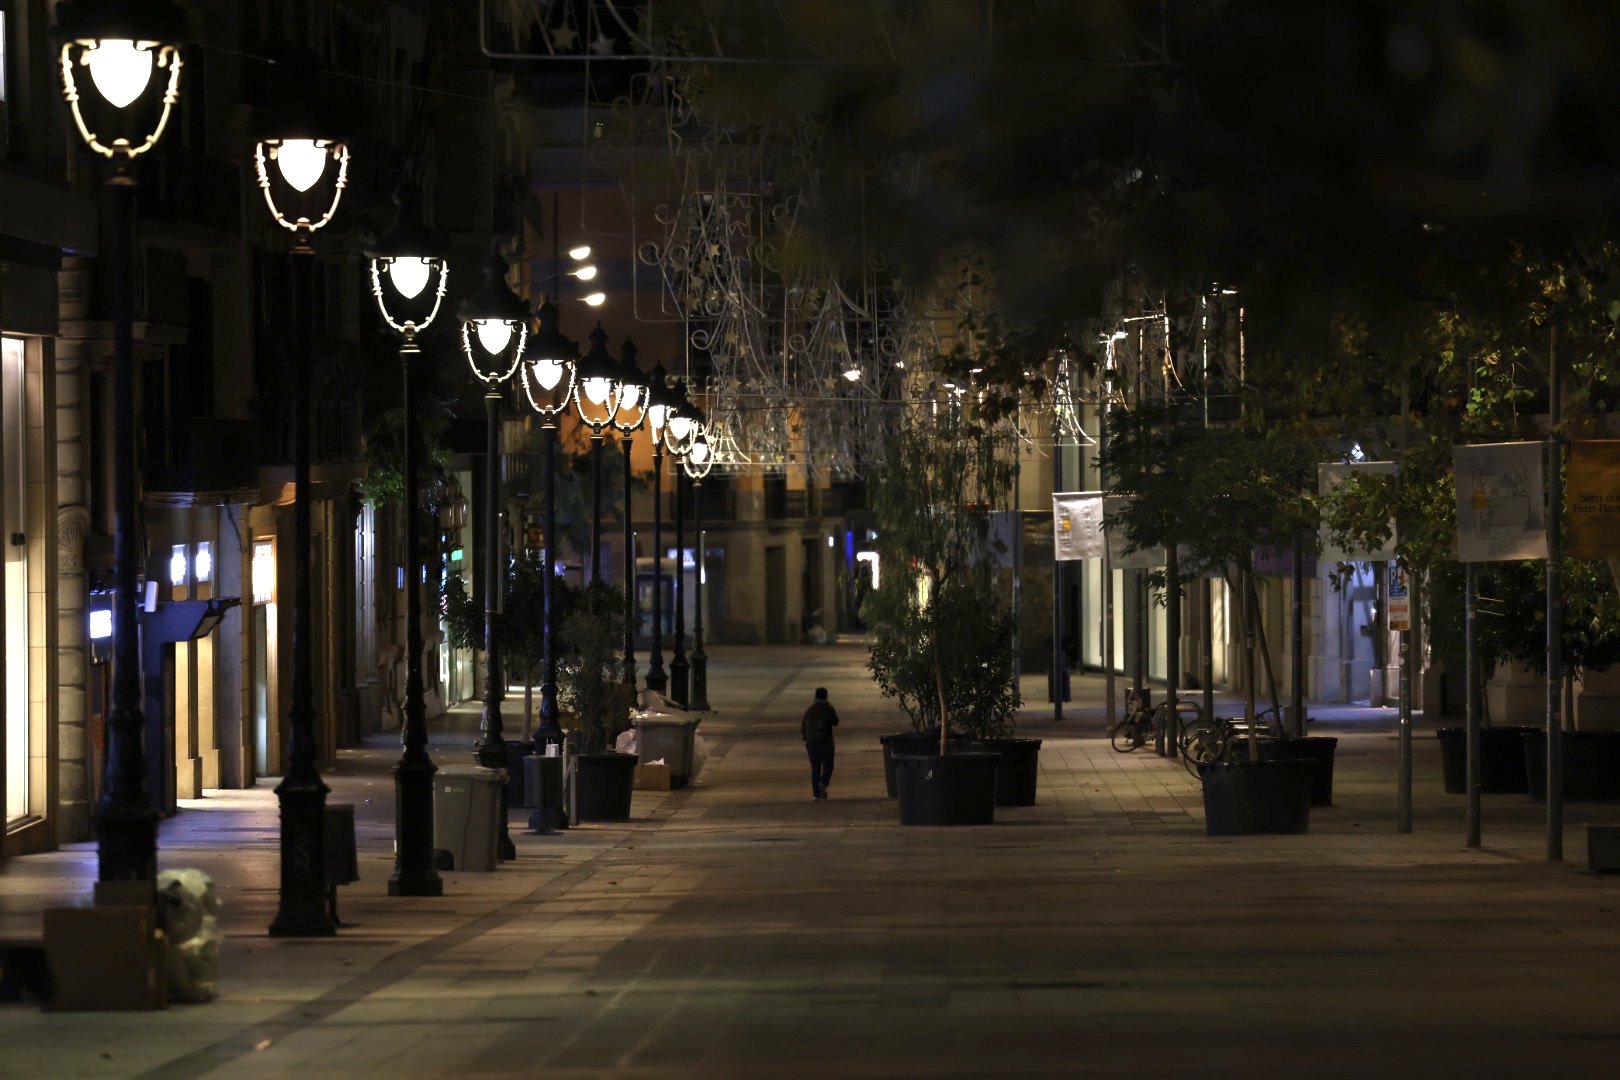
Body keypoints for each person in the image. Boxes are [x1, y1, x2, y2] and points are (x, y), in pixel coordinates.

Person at [801, 686, 839, 800]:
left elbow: (803, 727)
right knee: (828, 766)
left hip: (812, 742)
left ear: (815, 696)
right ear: (826, 696)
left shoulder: (810, 709)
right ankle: (823, 783)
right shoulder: (828, 707)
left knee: (815, 768)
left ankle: (816, 794)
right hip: (826, 741)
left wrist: (806, 737)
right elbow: (835, 721)